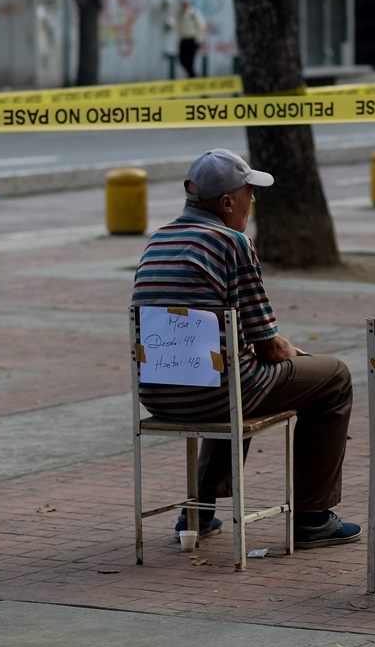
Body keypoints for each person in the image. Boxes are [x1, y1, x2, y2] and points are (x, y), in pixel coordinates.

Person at [132, 148, 360, 549]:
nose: (252, 202)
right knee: (334, 377)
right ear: (226, 202)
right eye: (248, 194)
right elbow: (269, 345)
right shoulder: (231, 242)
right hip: (217, 395)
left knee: (235, 374)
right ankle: (312, 516)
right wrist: (296, 355)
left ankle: (197, 511)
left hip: (158, 392)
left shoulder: (158, 239)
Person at [177, 0, 206, 78]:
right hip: (183, 40)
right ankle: (192, 75)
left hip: (192, 39)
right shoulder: (181, 14)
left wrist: (199, 39)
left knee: (190, 60)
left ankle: (192, 77)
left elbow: (201, 27)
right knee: (182, 60)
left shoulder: (193, 13)